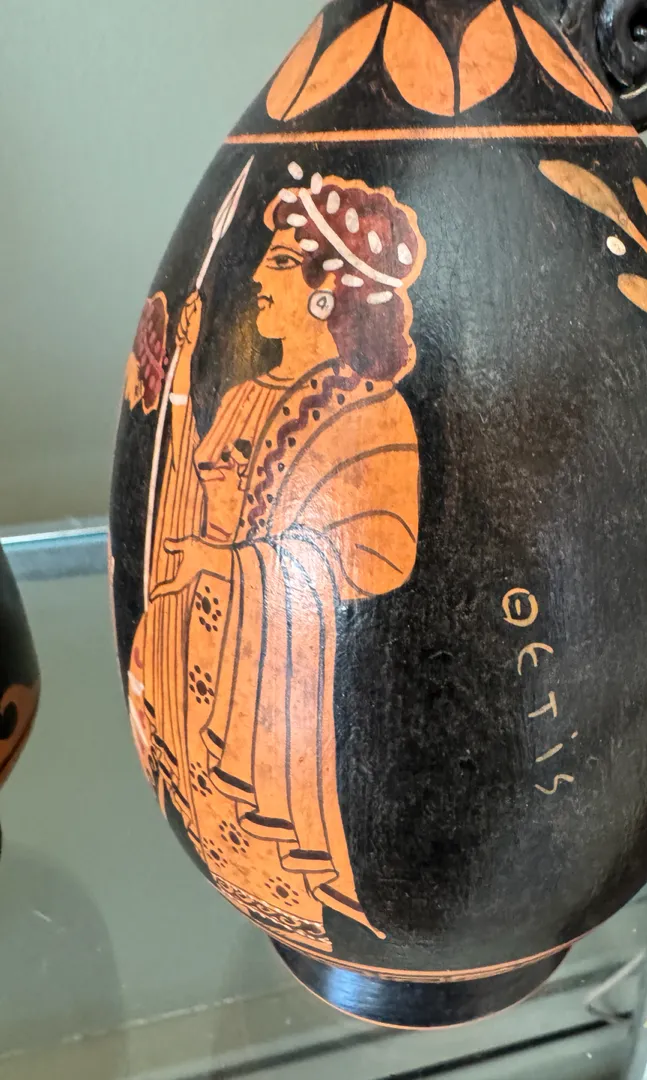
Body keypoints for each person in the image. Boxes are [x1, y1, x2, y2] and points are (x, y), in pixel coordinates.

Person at [127, 170, 427, 953]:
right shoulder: (242, 397)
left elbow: (384, 557)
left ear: (331, 294)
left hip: (281, 691)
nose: (258, 275)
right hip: (200, 660)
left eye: (284, 262)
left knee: (273, 849)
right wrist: (181, 391)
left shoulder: (375, 413)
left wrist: (237, 566)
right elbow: (183, 508)